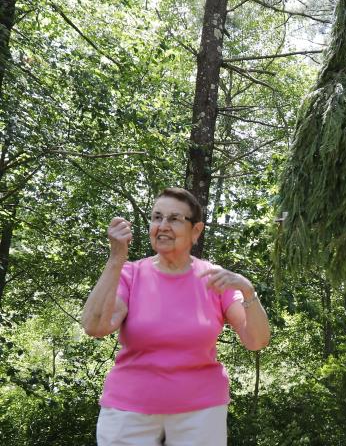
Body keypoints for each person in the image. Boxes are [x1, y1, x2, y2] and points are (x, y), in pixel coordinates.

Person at [81, 187, 270, 445]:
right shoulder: (130, 274)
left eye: (174, 219)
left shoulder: (214, 278)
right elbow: (95, 326)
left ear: (196, 231)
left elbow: (256, 340)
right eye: (157, 217)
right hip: (128, 411)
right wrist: (116, 257)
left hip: (201, 413)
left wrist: (247, 289)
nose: (163, 226)